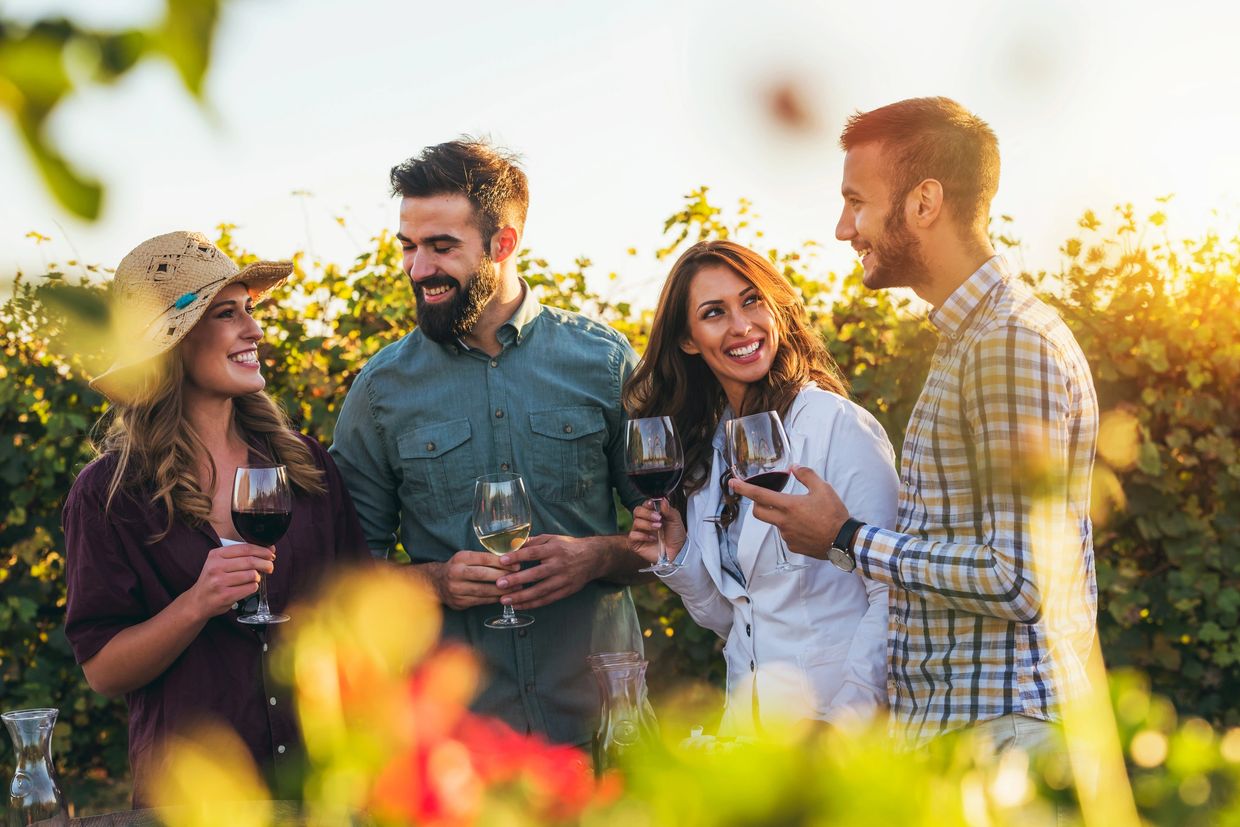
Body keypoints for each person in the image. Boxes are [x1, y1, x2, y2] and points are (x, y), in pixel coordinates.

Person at [731, 97, 1099, 751]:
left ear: (924, 203)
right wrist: (841, 544)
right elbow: (948, 556)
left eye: (857, 201)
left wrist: (847, 534)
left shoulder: (1007, 342)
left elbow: (1019, 578)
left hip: (1002, 731)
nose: (844, 228)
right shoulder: (968, 339)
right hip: (969, 728)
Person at [328, 139, 647, 748]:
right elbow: (346, 575)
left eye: (441, 247)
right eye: (409, 247)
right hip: (459, 754)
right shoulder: (380, 389)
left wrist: (596, 558)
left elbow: (674, 537)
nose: (419, 269)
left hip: (603, 733)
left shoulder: (604, 363)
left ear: (503, 243)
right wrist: (436, 582)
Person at [63, 231, 371, 806]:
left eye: (250, 310)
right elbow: (103, 670)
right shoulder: (108, 495)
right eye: (226, 313)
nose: (253, 329)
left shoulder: (305, 467)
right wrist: (196, 603)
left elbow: (358, 609)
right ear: (172, 345)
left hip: (322, 790)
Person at [624, 239, 898, 736]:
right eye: (714, 313)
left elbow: (891, 595)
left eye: (752, 300)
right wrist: (678, 555)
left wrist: (845, 725)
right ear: (688, 340)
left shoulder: (836, 426)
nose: (741, 325)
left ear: (776, 309)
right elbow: (737, 621)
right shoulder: (713, 450)